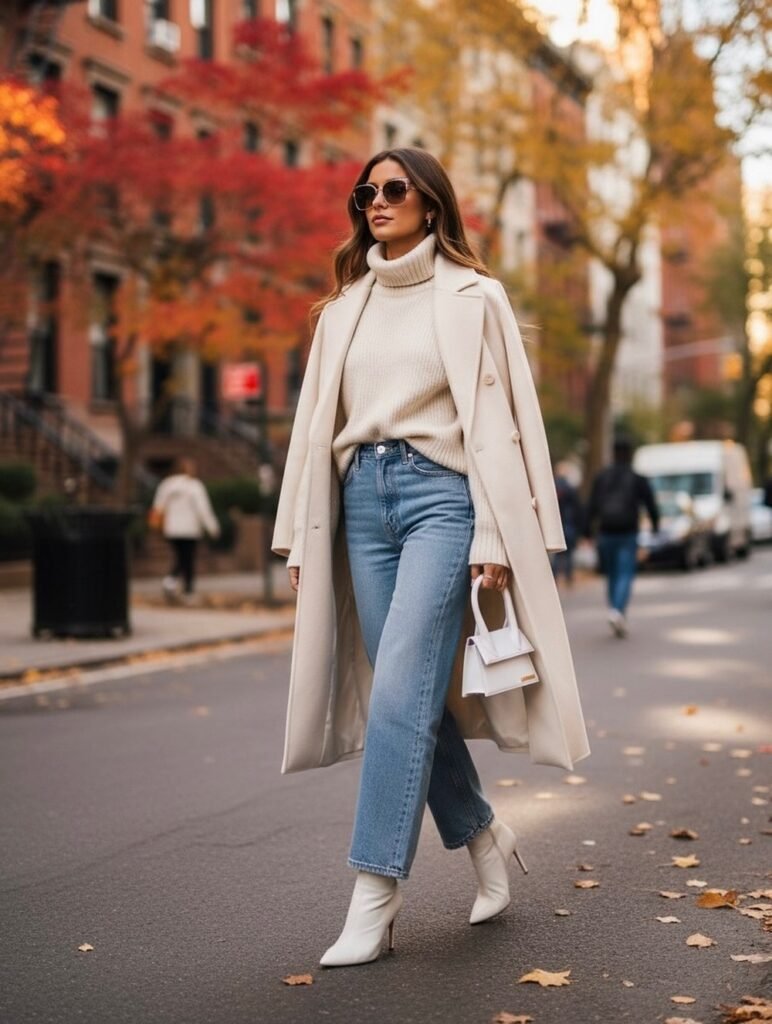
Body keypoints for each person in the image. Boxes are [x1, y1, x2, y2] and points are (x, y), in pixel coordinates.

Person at [272, 148, 589, 969]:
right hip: (359, 505)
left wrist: (495, 533)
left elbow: (510, 422)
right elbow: (314, 426)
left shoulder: (475, 298)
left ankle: (375, 893)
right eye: (364, 192)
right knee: (402, 691)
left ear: (431, 204)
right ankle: (483, 832)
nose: (376, 201)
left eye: (393, 189)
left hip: (443, 499)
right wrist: (297, 533)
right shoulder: (342, 307)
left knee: (399, 694)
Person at [584, 436, 660, 637]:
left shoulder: (602, 477)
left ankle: (615, 611)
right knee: (625, 573)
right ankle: (618, 610)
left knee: (612, 575)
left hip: (606, 532)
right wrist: (655, 527)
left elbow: (591, 505)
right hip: (627, 532)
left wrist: (587, 531)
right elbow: (650, 505)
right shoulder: (637, 478)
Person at [150, 457, 220, 600]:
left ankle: (171, 581)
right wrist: (213, 527)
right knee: (187, 559)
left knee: (180, 557)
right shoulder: (194, 486)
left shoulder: (166, 485)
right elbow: (203, 509)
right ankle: (187, 590)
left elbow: (158, 506)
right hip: (189, 530)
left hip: (172, 530)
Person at [551, 462, 583, 587]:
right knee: (568, 553)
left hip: (555, 524)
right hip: (569, 524)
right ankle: (568, 577)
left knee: (556, 554)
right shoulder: (570, 488)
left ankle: (554, 577)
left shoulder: (551, 487)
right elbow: (578, 508)